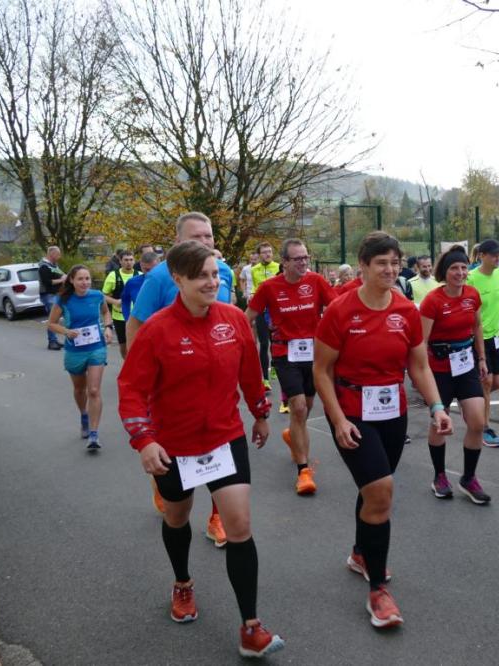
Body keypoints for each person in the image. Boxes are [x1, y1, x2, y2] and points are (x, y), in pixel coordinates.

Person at [117, 241, 284, 659]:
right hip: (174, 446)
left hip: (225, 438)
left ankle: (250, 627)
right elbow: (131, 389)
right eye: (202, 276)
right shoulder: (156, 330)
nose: (212, 283)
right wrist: (144, 441)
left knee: (239, 526)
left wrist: (260, 413)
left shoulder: (233, 319)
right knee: (177, 517)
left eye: (215, 274)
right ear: (178, 279)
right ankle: (183, 582)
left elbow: (250, 372)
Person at [313, 231, 453, 629]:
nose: (390, 270)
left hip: (393, 412)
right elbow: (321, 370)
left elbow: (418, 365)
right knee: (380, 491)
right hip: (352, 410)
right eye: (381, 263)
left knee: (373, 489)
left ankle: (361, 553)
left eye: (395, 262)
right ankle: (378, 591)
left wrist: (437, 407)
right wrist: (338, 420)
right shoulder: (340, 310)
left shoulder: (406, 310)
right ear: (363, 266)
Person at [126, 212, 237, 548]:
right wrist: (140, 375)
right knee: (177, 475)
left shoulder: (224, 271)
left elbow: (227, 320)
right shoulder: (159, 277)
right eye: (195, 237)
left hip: (215, 383)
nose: (204, 242)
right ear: (178, 242)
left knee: (220, 450)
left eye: (208, 236)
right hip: (172, 385)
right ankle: (165, 487)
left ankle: (217, 518)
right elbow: (136, 324)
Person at [246, 238, 336, 495]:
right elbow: (247, 317)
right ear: (284, 262)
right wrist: (245, 344)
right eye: (297, 259)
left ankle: (292, 435)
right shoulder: (269, 287)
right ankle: (304, 471)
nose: (303, 262)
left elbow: (337, 308)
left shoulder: (316, 281)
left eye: (306, 257)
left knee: (305, 408)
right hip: (285, 353)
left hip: (314, 353)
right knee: (297, 407)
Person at [420, 246, 490, 503]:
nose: (460, 272)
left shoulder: (472, 295)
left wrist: (481, 358)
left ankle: (468, 478)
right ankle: (439, 476)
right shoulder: (433, 301)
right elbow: (421, 341)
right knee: (440, 424)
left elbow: (477, 326)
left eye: (463, 267)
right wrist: (422, 374)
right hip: (439, 370)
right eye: (454, 268)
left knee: (477, 423)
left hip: (465, 366)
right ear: (444, 272)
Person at [46, 265, 114, 450]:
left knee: (94, 390)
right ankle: (84, 415)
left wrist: (108, 328)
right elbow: (51, 324)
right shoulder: (64, 299)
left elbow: (106, 312)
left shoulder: (97, 295)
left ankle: (94, 434)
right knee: (79, 389)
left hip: (96, 348)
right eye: (80, 279)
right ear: (72, 280)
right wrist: (66, 331)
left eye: (87, 278)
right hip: (75, 351)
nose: (85, 282)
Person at [467, 239, 499, 447]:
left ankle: (471, 401)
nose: (497, 258)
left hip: (495, 338)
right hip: (478, 338)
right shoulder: (471, 278)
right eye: (493, 255)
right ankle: (484, 428)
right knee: (487, 382)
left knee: (497, 383)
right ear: (482, 256)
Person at [250, 243, 280, 388]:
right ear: (259, 255)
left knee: (274, 341)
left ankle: (274, 365)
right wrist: (252, 295)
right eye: (264, 252)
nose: (268, 254)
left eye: (270, 251)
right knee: (263, 343)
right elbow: (255, 287)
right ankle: (265, 379)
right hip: (261, 309)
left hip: (275, 309)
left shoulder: (278, 267)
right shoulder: (254, 269)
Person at [102, 249, 141, 359]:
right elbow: (103, 296)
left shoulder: (140, 275)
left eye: (131, 260)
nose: (128, 262)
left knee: (137, 344)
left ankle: (135, 365)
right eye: (126, 260)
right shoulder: (113, 275)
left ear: (134, 261)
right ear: (120, 261)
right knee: (124, 346)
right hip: (119, 317)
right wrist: (115, 302)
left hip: (137, 316)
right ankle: (127, 364)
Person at [38, 246, 66, 350]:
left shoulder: (54, 265)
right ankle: (52, 342)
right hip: (48, 294)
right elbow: (47, 282)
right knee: (53, 318)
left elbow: (61, 274)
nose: (59, 256)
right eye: (58, 254)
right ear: (52, 254)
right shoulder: (44, 266)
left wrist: (65, 277)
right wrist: (61, 280)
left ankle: (54, 340)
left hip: (56, 294)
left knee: (55, 318)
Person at [121, 251, 160, 321]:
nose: (150, 273)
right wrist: (128, 319)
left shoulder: (168, 282)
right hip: (140, 324)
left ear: (159, 266)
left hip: (162, 324)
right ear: (141, 266)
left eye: (153, 269)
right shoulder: (132, 282)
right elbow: (125, 302)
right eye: (146, 269)